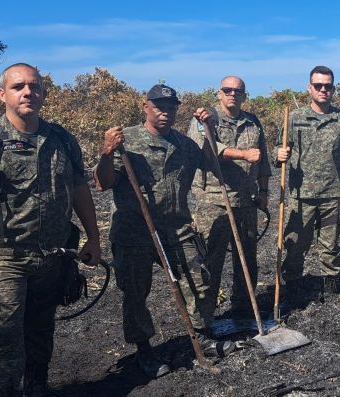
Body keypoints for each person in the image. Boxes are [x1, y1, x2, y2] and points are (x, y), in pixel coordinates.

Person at [0, 63, 101, 397]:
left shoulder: (61, 138)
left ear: (44, 93)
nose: (27, 92)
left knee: (39, 332)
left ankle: (36, 387)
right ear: (2, 94)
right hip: (4, 259)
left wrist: (93, 236)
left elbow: (79, 188)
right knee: (2, 338)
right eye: (18, 86)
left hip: (53, 256)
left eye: (34, 86)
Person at [94, 84, 235, 377]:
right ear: (145, 106)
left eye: (171, 108)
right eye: (159, 106)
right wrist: (107, 153)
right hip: (135, 230)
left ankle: (201, 335)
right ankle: (144, 349)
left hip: (177, 227)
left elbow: (209, 160)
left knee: (199, 279)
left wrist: (209, 127)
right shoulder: (126, 141)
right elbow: (102, 183)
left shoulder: (184, 144)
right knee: (135, 292)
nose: (165, 113)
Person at [275, 65, 340, 301]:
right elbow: (278, 148)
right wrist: (279, 154)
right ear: (309, 88)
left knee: (330, 246)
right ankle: (292, 287)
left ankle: (331, 287)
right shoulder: (294, 118)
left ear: (333, 89)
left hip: (332, 195)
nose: (323, 90)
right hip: (300, 195)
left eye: (328, 86)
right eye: (318, 86)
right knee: (294, 245)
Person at [188, 76, 271, 319]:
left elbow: (263, 159)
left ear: (244, 95)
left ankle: (243, 307)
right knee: (210, 260)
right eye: (228, 90)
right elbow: (206, 147)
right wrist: (242, 154)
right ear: (219, 93)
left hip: (247, 200)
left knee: (247, 259)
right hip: (214, 201)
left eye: (238, 91)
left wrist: (264, 191)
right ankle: (206, 313)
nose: (233, 94)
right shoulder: (205, 119)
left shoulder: (252, 122)